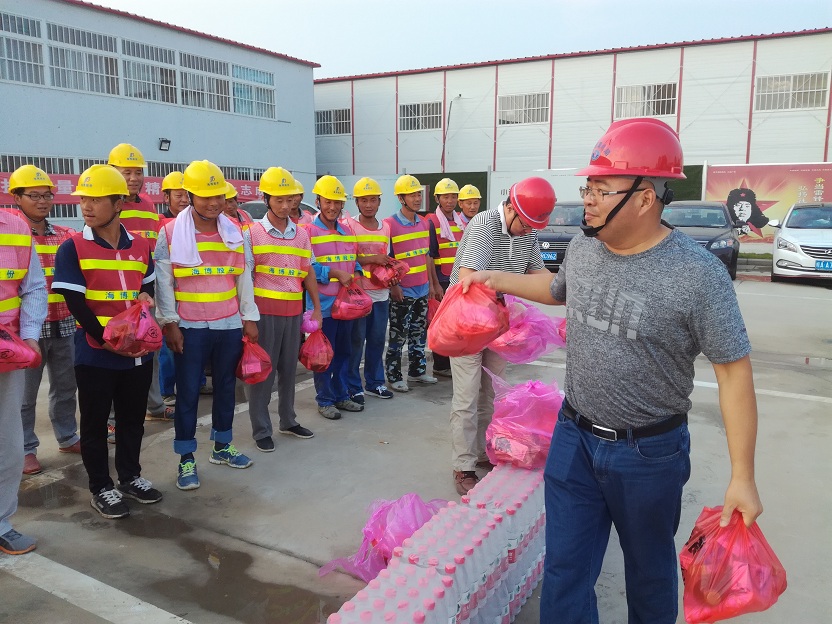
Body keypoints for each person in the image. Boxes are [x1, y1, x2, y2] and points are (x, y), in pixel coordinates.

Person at [461, 118, 763, 623]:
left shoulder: (697, 275)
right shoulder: (583, 248)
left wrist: (743, 477)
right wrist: (491, 277)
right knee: (565, 571)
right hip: (573, 439)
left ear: (645, 198)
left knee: (649, 573)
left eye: (602, 190)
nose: (588, 200)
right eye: (588, 188)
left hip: (649, 454)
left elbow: (734, 373)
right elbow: (556, 289)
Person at [52, 164, 161, 519]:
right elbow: (76, 304)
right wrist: (106, 340)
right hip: (96, 352)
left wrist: (146, 298)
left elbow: (147, 286)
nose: (87, 206)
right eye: (84, 199)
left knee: (133, 419)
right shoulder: (72, 248)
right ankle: (101, 486)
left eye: (96, 199)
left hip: (137, 352)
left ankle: (130, 477)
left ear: (118, 203)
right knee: (95, 423)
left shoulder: (141, 246)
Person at [155, 160, 260, 491]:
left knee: (226, 387)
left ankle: (222, 446)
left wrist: (249, 318)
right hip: (190, 325)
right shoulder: (170, 233)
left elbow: (243, 278)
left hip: (228, 323)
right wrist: (169, 323)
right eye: (205, 196)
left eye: (218, 196)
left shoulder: (234, 231)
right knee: (187, 393)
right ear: (189, 195)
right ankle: (186, 458)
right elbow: (163, 283)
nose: (214, 203)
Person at [447, 177, 554, 495]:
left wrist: (566, 289)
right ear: (511, 208)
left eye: (535, 226)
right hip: (467, 323)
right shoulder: (484, 225)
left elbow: (538, 274)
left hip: (498, 324)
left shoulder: (527, 231)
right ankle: (463, 465)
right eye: (526, 224)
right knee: (466, 396)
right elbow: (468, 280)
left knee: (493, 392)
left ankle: (485, 451)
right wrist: (510, 306)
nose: (529, 231)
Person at [9, 166, 80, 476]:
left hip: (64, 323)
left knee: (66, 387)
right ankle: (26, 448)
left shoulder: (65, 236)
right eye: (34, 196)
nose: (42, 201)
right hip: (27, 331)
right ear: (16, 197)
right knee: (25, 396)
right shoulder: (12, 236)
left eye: (47, 196)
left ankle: (67, 436)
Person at [246, 167, 321, 451]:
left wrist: (316, 308)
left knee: (289, 370)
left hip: (293, 312)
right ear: (266, 199)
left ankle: (288, 420)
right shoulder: (252, 234)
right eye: (279, 200)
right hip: (264, 313)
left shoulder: (301, 235)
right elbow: (246, 277)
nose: (286, 206)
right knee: (263, 374)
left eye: (290, 200)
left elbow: (308, 272)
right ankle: (261, 430)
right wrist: (248, 317)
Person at [106, 143, 170, 424]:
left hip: (146, 288)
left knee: (149, 346)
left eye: (138, 172)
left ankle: (154, 405)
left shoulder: (147, 205)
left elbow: (152, 249)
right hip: (116, 291)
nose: (133, 178)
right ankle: (110, 418)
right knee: (115, 349)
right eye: (126, 172)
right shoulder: (108, 204)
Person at [0, 202, 47, 553]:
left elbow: (33, 287)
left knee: (9, 444)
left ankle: (1, 522)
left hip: (7, 354)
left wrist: (30, 334)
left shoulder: (16, 229)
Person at [305, 175, 364, 420]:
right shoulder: (308, 231)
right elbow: (307, 267)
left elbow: (354, 261)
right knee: (323, 355)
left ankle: (341, 395)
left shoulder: (348, 231)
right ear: (318, 201)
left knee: (343, 353)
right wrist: (334, 273)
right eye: (327, 201)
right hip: (323, 306)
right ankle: (325, 399)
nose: (332, 207)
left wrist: (357, 275)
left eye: (337, 202)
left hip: (346, 307)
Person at [383, 175, 441, 393]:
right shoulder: (389, 225)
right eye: (412, 195)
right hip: (403, 290)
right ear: (401, 198)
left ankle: (417, 371)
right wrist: (394, 286)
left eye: (418, 194)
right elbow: (387, 261)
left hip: (422, 289)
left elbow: (426, 256)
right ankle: (394, 375)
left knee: (419, 333)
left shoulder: (424, 223)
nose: (417, 199)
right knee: (398, 336)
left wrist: (431, 285)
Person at [346, 177, 396, 403]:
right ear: (356, 202)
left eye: (373, 200)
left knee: (376, 340)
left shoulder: (385, 228)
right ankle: (353, 386)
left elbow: (387, 257)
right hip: (359, 295)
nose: (368, 205)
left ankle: (375, 383)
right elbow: (348, 257)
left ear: (379, 202)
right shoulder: (350, 226)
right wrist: (372, 258)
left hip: (381, 294)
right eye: (364, 200)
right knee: (356, 341)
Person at [427, 177, 463, 378]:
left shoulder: (459, 222)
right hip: (441, 280)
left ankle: (451, 362)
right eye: (445, 197)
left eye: (453, 197)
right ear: (437, 199)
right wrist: (434, 285)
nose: (449, 201)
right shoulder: (432, 222)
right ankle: (440, 365)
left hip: (456, 280)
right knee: (442, 324)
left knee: (456, 325)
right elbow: (430, 255)